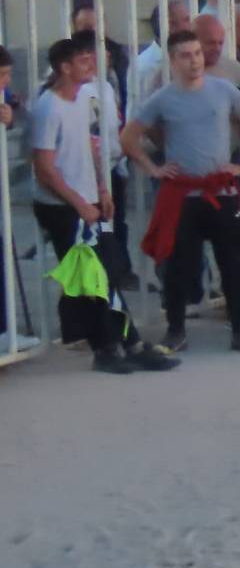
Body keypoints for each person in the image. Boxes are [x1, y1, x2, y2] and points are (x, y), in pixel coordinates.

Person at [28, 37, 176, 373]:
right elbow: (45, 169)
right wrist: (81, 204)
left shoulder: (84, 98)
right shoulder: (48, 108)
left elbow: (92, 147)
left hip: (90, 200)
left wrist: (102, 189)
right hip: (63, 206)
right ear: (64, 67)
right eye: (82, 59)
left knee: (109, 269)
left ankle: (128, 342)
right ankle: (107, 347)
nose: (91, 64)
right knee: (94, 279)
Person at [121, 28, 240, 355]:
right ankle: (175, 331)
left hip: (222, 189)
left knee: (236, 263)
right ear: (172, 61)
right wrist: (153, 167)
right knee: (177, 267)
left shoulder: (223, 89)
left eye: (198, 53)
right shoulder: (162, 98)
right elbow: (129, 136)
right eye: (186, 55)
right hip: (183, 195)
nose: (195, 61)